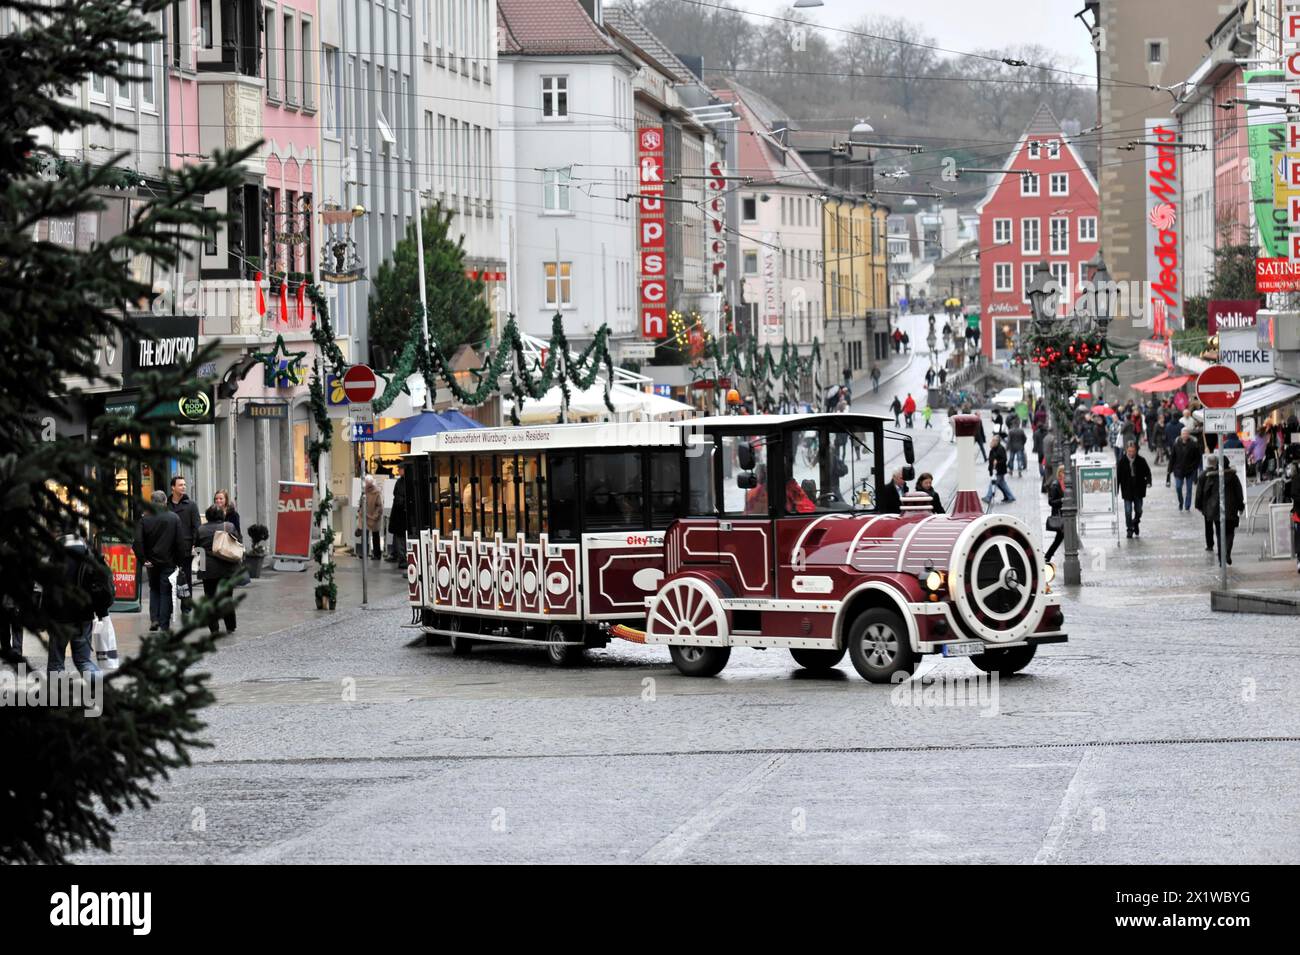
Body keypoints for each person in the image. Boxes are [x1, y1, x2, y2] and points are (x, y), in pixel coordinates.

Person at [48, 527, 111, 674]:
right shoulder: (89, 552)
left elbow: (47, 588)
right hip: (84, 616)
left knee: (56, 662)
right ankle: (99, 687)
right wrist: (102, 611)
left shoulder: (55, 554)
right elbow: (100, 585)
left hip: (60, 617)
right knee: (83, 661)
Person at [134, 490, 184, 632]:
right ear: (165, 502)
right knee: (166, 592)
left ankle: (154, 619)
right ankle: (164, 623)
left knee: (154, 590)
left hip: (152, 563)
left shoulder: (145, 519)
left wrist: (143, 559)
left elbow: (137, 541)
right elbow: (180, 543)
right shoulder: (174, 518)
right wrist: (179, 561)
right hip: (169, 561)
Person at [196, 504, 241, 633]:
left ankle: (214, 627)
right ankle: (230, 626)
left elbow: (197, 546)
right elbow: (237, 541)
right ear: (222, 515)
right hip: (227, 568)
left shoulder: (201, 529)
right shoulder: (229, 526)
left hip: (208, 569)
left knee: (210, 598)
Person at [1195, 457, 1246, 564]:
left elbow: (1206, 493)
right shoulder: (1233, 477)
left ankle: (1222, 557)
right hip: (1231, 510)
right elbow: (1239, 494)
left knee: (1219, 534)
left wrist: (1205, 507)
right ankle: (1226, 552)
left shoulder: (1212, 477)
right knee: (1230, 532)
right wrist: (1241, 507)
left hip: (1217, 510)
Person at [167, 474, 200, 610]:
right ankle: (168, 607)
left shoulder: (191, 505)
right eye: (180, 485)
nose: (184, 487)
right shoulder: (166, 505)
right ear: (173, 487)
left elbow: (196, 526)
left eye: (185, 485)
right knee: (168, 579)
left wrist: (194, 543)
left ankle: (186, 607)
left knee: (186, 579)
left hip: (185, 548)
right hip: (168, 549)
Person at [1116, 441, 1152, 539]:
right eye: (1129, 451)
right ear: (1126, 451)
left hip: (1138, 489)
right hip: (1127, 489)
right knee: (1128, 511)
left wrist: (1148, 482)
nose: (1131, 453)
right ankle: (1129, 528)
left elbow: (1148, 472)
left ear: (1136, 451)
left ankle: (1135, 521)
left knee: (1139, 510)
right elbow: (1118, 477)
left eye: (1133, 451)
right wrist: (1116, 489)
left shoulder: (1141, 460)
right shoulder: (1122, 461)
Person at [1168, 428, 1201, 512]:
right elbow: (1172, 457)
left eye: (1186, 433)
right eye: (1183, 433)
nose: (1185, 435)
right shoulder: (1176, 444)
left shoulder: (1193, 444)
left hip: (1190, 470)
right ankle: (1181, 502)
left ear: (1189, 434)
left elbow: (1198, 457)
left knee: (1189, 489)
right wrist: (1170, 469)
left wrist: (1194, 467)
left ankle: (1187, 505)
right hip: (1178, 470)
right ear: (1181, 434)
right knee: (1178, 487)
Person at [984, 435, 1016, 504]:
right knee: (1002, 484)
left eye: (993, 441)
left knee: (993, 483)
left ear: (997, 441)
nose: (992, 442)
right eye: (992, 440)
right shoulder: (993, 448)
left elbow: (1004, 459)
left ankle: (988, 497)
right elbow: (991, 459)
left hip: (999, 470)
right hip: (996, 470)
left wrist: (997, 462)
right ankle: (1010, 497)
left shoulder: (1000, 449)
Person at [1044, 465, 1066, 562]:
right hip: (1059, 515)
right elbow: (1051, 502)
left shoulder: (1065, 484)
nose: (1065, 475)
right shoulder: (1055, 485)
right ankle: (1048, 556)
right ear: (1059, 473)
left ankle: (1048, 556)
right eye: (1063, 473)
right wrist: (1062, 500)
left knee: (1061, 539)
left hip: (1066, 515)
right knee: (1060, 539)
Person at [387, 468, 406, 562]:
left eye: (400, 469)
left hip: (400, 514)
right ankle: (399, 555)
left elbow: (396, 493)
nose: (398, 471)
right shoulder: (400, 482)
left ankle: (401, 556)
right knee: (399, 536)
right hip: (399, 514)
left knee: (399, 536)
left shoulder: (401, 482)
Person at [363, 475, 384, 559]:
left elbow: (379, 506)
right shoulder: (365, 492)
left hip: (374, 517)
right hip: (367, 516)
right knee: (365, 534)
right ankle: (365, 553)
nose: (366, 484)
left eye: (367, 483)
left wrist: (374, 516)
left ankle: (377, 554)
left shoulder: (376, 492)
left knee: (375, 535)